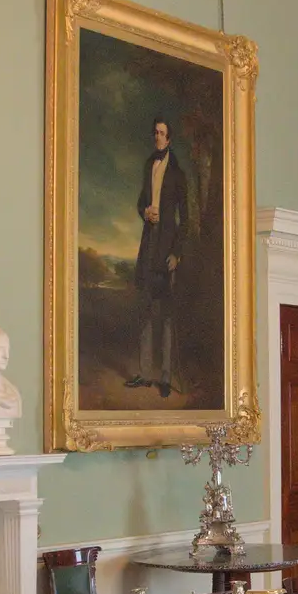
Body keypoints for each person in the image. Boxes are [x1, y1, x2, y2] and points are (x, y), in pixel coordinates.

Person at [125, 117, 187, 398]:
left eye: (163, 133)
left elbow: (184, 218)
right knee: (147, 310)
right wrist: (145, 212)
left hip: (167, 251)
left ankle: (164, 376)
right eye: (156, 133)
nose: (158, 137)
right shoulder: (148, 165)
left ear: (169, 139)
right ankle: (145, 373)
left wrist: (177, 253)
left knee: (166, 315)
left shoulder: (178, 173)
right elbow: (140, 201)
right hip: (149, 247)